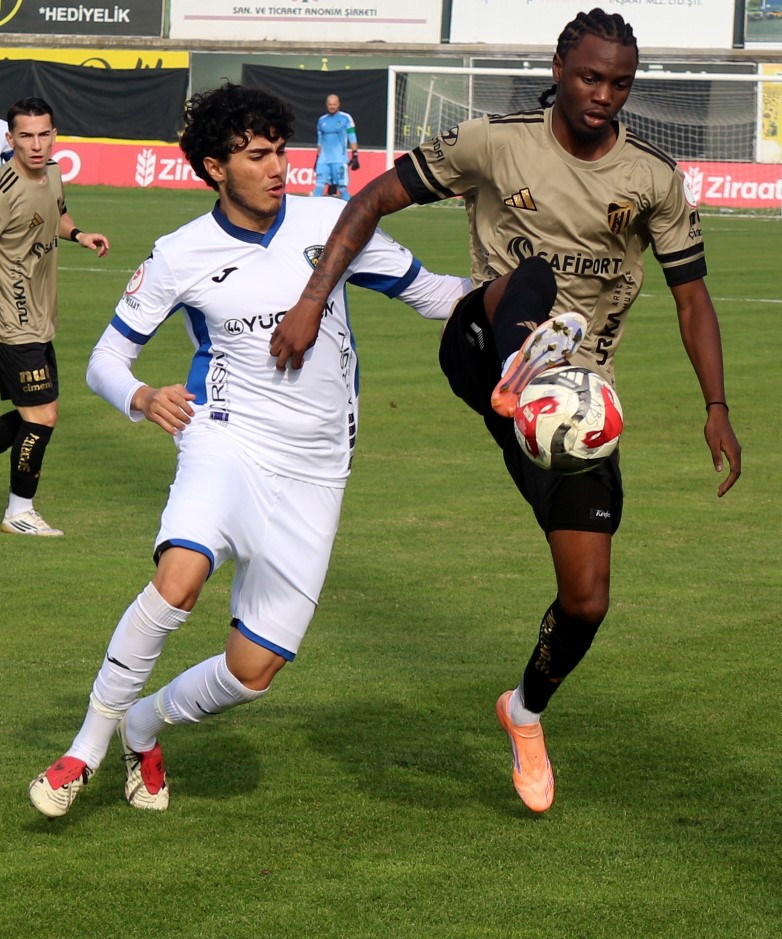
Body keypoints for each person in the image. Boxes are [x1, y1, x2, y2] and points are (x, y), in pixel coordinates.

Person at [269, 9, 742, 813]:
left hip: (575, 402)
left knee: (587, 598)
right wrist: (313, 298)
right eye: (591, 77)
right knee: (532, 284)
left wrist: (717, 404)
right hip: (483, 344)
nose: (604, 95)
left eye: (620, 83)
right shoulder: (493, 141)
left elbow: (690, 297)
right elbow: (373, 200)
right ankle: (526, 362)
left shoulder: (654, 178)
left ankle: (523, 711)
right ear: (560, 66)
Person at [28, 82, 468, 818]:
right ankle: (87, 746)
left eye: (278, 152)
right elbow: (106, 359)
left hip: (318, 471)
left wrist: (521, 293)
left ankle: (145, 723)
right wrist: (140, 397)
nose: (277, 167)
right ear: (212, 167)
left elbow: (436, 293)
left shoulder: (335, 221)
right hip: (225, 439)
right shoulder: (180, 253)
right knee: (179, 579)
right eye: (256, 155)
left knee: (253, 670)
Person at [0, 97, 109, 537]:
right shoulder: (5, 189)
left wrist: (79, 234)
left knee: (37, 413)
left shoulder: (54, 174)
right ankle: (19, 512)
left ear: (55, 135)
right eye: (26, 135)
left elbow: (57, 215)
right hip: (13, 320)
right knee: (42, 415)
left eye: (44, 133)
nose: (36, 143)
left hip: (41, 317)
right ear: (11, 139)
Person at [311, 94, 359, 201]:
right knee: (318, 187)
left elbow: (352, 136)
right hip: (323, 160)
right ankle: (313, 213)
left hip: (339, 159)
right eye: (330, 104)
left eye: (334, 104)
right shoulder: (321, 120)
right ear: (326, 105)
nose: (332, 106)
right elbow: (320, 141)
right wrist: (317, 157)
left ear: (338, 104)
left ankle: (350, 213)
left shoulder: (346, 118)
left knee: (342, 189)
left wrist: (355, 154)